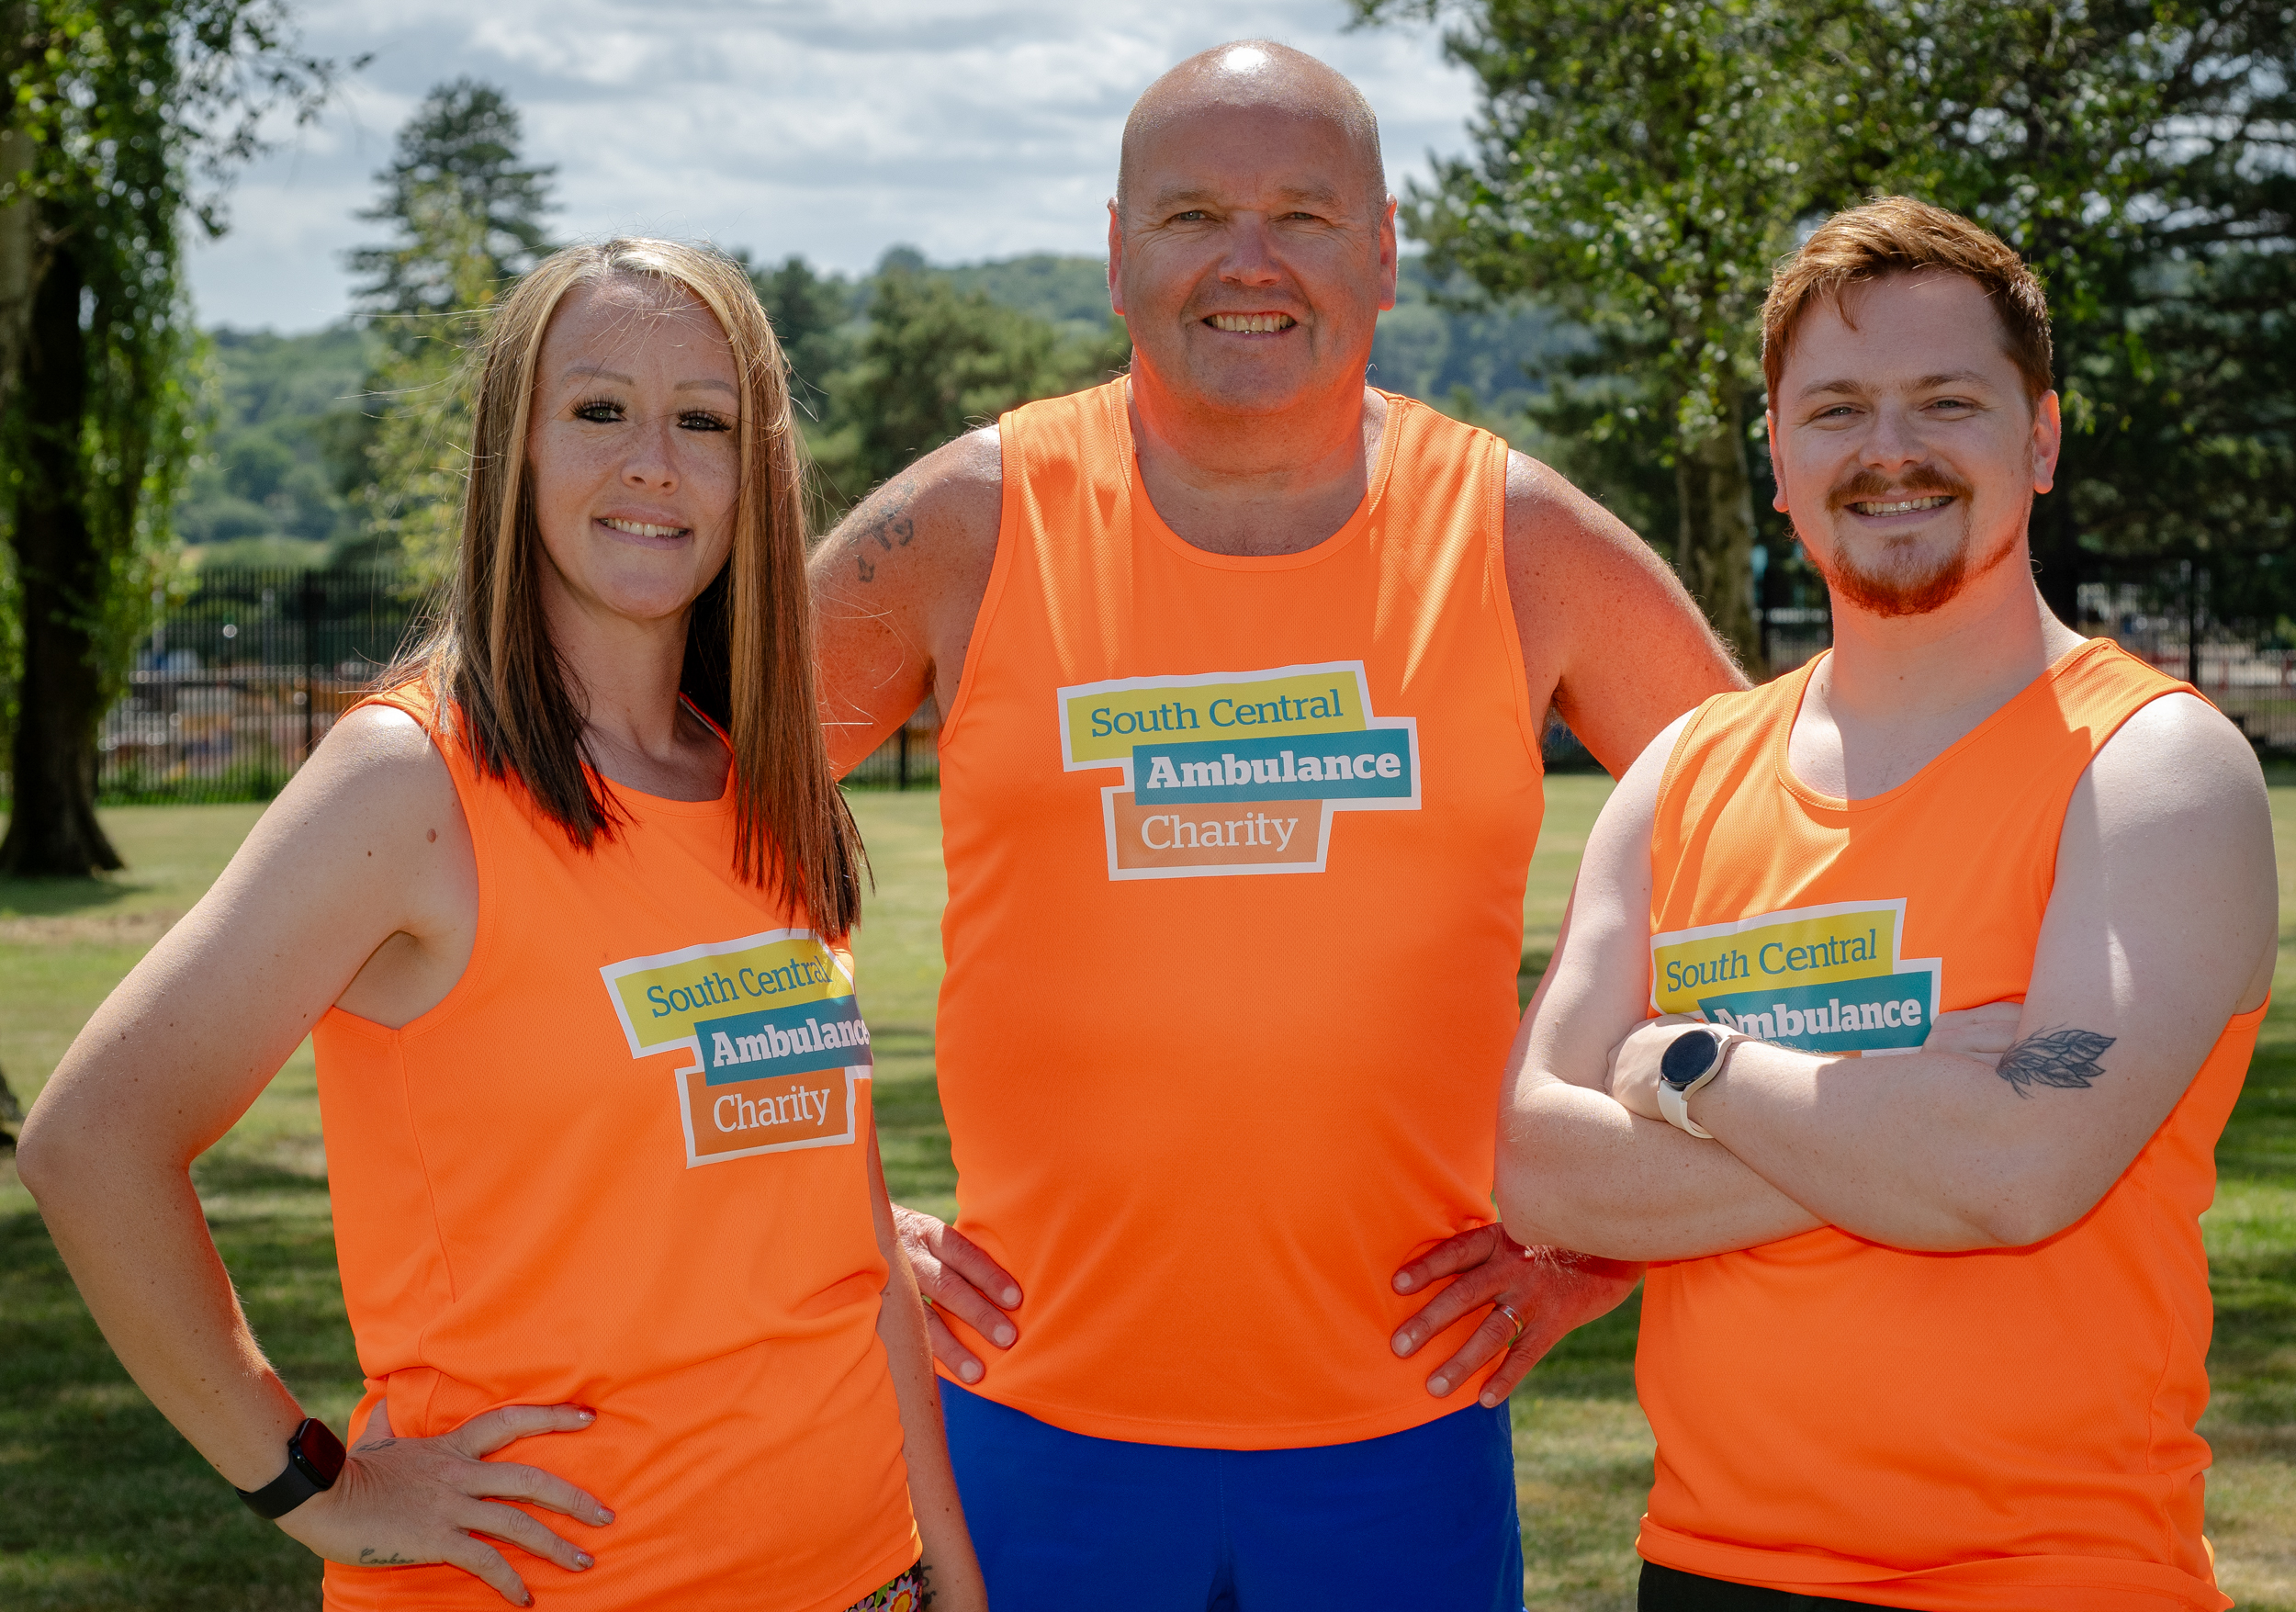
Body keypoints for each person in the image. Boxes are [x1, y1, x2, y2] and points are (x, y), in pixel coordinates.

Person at [807, 39, 1744, 1610]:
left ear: (1384, 252)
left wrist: (1596, 1259)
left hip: (1408, 1424)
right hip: (1027, 1417)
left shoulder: (1517, 538)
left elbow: (1767, 860)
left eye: (1304, 215)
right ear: (1116, 257)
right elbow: (669, 829)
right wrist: (832, 1212)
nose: (1248, 264)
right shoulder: (968, 524)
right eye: (1191, 217)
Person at [20, 240, 985, 1612]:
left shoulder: (763, 785)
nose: (653, 462)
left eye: (701, 422)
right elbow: (92, 1142)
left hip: (863, 1571)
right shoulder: (412, 782)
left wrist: (940, 1554)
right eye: (599, 410)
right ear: (512, 455)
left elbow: (856, 1244)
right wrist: (319, 1490)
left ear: (750, 475)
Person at [1499, 196, 2275, 1612]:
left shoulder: (2154, 766)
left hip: (2052, 1577)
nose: (1889, 451)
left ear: (2040, 440)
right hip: (1705, 1569)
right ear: (1780, 461)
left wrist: (1691, 1065)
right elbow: (1539, 1169)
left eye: (1947, 402)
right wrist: (1914, 1127)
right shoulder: (1684, 773)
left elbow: (2016, 1176)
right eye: (1837, 409)